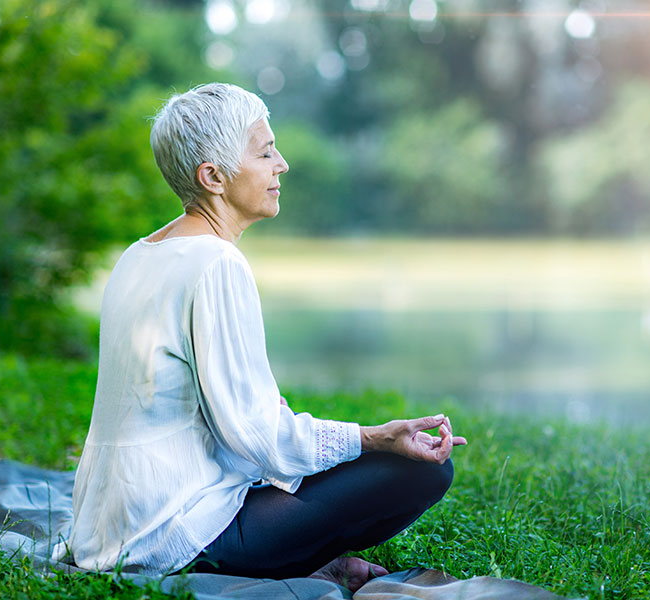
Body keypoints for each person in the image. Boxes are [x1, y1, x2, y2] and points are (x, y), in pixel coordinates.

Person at [67, 82, 467, 591]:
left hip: (108, 529)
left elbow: (229, 422)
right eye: (265, 152)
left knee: (321, 463)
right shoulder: (217, 264)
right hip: (170, 538)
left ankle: (314, 556)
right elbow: (260, 437)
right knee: (423, 473)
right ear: (213, 177)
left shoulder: (138, 254)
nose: (282, 165)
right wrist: (375, 438)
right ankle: (303, 562)